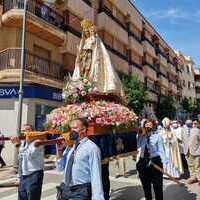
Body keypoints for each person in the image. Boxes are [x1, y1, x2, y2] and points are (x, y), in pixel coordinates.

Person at [72, 19, 124, 98]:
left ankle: (88, 82)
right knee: (83, 70)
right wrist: (80, 52)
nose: (86, 33)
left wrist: (93, 36)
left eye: (87, 31)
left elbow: (96, 48)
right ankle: (84, 81)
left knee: (88, 69)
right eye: (85, 32)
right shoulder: (85, 41)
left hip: (90, 56)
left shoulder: (94, 39)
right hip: (84, 57)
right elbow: (81, 49)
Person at [56, 118, 105, 200]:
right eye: (71, 128)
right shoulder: (70, 147)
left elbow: (96, 175)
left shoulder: (92, 148)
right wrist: (60, 151)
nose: (71, 131)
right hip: (65, 189)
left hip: (81, 191)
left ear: (83, 129)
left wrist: (98, 197)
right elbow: (60, 168)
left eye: (74, 128)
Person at [10, 124, 45, 200]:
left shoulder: (38, 142)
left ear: (33, 131)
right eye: (22, 131)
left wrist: (18, 144)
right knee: (22, 197)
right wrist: (19, 176)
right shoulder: (23, 142)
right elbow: (21, 160)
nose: (24, 133)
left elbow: (29, 155)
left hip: (34, 174)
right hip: (24, 175)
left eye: (27, 130)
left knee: (33, 197)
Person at [136, 120, 165, 200]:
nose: (148, 126)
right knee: (146, 187)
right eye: (146, 125)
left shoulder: (157, 136)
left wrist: (164, 164)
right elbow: (138, 146)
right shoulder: (140, 136)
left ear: (153, 127)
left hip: (155, 161)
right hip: (143, 162)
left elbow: (161, 151)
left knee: (158, 187)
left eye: (150, 125)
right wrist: (141, 135)